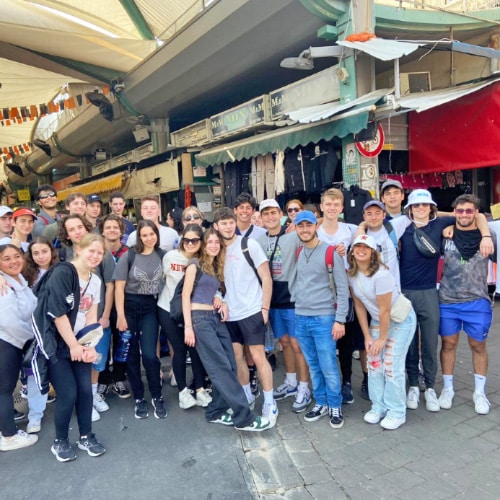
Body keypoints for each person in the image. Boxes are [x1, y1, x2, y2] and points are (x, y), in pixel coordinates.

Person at [182, 228, 270, 431]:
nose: (213, 245)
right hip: (199, 320)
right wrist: (188, 327)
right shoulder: (194, 265)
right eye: (209, 241)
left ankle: (215, 411)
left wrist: (219, 298)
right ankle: (244, 418)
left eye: (216, 242)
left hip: (215, 319)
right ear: (203, 244)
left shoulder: (215, 266)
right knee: (220, 367)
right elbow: (186, 296)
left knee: (230, 364)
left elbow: (215, 291)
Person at [32, 234, 107, 462]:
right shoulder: (64, 272)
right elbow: (57, 313)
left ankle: (86, 436)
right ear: (79, 249)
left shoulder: (95, 281)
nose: (94, 256)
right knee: (68, 393)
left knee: (85, 392)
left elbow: (92, 316)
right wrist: (73, 345)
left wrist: (90, 346)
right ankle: (60, 441)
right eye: (91, 251)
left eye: (99, 253)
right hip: (57, 344)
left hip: (79, 343)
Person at [213, 207, 277, 427]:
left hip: (252, 310)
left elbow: (266, 278)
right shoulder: (215, 250)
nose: (228, 226)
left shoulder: (249, 245)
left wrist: (265, 308)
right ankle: (246, 397)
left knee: (258, 357)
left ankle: (270, 402)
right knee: (237, 357)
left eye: (230, 222)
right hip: (229, 315)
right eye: (223, 223)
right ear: (216, 226)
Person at [348, 234, 417, 430]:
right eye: (357, 246)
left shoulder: (381, 275)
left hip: (400, 320)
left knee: (391, 364)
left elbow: (385, 309)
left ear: (373, 253)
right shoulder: (352, 275)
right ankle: (378, 406)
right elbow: (359, 307)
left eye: (366, 247)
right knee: (374, 362)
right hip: (379, 320)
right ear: (352, 251)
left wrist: (382, 339)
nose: (361, 250)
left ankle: (397, 411)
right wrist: (368, 336)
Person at [438, 194, 496, 415]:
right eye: (459, 211)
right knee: (448, 345)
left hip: (477, 300)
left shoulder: (488, 237)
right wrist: (449, 221)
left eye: (469, 211)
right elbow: (427, 215)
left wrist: (486, 235)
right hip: (447, 301)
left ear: (477, 213)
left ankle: (479, 393)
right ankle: (448, 388)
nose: (464, 215)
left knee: (478, 346)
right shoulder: (446, 234)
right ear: (455, 212)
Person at [292, 211, 349, 429]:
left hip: (325, 317)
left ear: (316, 226)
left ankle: (335, 404)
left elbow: (342, 288)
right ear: (296, 228)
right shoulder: (298, 252)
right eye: (300, 226)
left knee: (328, 364)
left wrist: (340, 320)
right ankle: (321, 401)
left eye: (308, 225)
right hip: (301, 316)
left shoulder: (330, 252)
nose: (305, 230)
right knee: (313, 365)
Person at [257, 199, 311, 413]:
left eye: (273, 213)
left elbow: (314, 232)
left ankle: (304, 387)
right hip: (273, 301)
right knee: (285, 343)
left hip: (293, 299)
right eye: (265, 214)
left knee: (298, 345)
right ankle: (290, 382)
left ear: (280, 214)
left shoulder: (294, 236)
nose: (270, 217)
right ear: (261, 218)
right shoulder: (259, 242)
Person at [114, 220, 167, 420]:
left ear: (156, 234)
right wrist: (120, 315)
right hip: (128, 307)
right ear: (139, 236)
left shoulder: (162, 255)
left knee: (150, 355)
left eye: (151, 234)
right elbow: (119, 287)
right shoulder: (129, 255)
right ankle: (138, 397)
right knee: (131, 356)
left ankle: (157, 395)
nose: (148, 238)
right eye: (144, 235)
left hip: (150, 308)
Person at [317, 188, 366, 403]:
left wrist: (348, 253)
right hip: (320, 295)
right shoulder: (314, 230)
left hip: (345, 293)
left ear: (342, 208)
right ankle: (328, 383)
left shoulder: (350, 230)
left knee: (345, 342)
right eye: (328, 204)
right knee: (325, 342)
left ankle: (346, 381)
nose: (332, 208)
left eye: (336, 204)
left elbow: (365, 245)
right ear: (322, 206)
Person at [157, 224, 211, 409]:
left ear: (201, 241)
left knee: (196, 350)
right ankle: (182, 392)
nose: (190, 243)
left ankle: (200, 389)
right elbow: (162, 279)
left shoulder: (204, 260)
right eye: (186, 239)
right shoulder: (170, 256)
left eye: (194, 240)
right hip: (168, 309)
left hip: (193, 310)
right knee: (179, 350)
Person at [0, 244, 38, 451]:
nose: (13, 261)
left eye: (17, 256)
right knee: (4, 390)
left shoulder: (18, 279)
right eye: (6, 258)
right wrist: (33, 338)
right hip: (7, 342)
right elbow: (9, 322)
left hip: (14, 342)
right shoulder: (3, 285)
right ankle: (9, 436)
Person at [96, 214, 130, 399]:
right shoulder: (96, 252)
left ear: (121, 231)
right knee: (101, 343)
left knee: (121, 342)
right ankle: (102, 379)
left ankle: (118, 378)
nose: (112, 230)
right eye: (108, 227)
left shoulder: (128, 252)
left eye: (115, 227)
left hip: (124, 305)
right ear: (102, 230)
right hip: (101, 304)